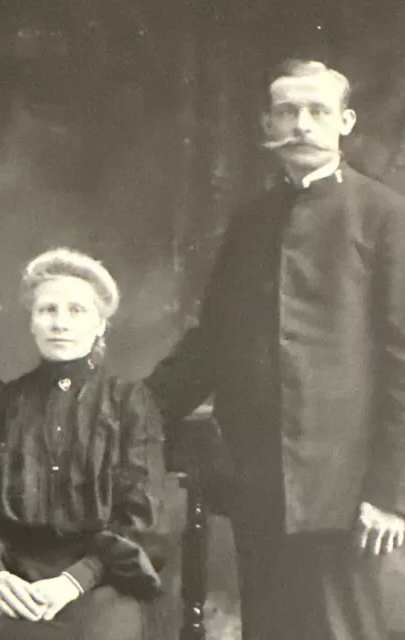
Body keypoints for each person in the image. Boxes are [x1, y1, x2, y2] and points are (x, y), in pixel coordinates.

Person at [147, 59, 405, 640]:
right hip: (259, 480)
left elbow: (403, 363)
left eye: (317, 111)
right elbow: (210, 345)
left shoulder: (387, 216)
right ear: (267, 122)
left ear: (346, 121)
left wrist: (391, 494)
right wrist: (128, 409)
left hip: (349, 492)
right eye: (287, 111)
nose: (302, 124)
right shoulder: (251, 222)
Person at [0, 248, 172, 640]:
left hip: (99, 575)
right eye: (47, 310)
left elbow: (144, 517)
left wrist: (74, 581)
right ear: (32, 322)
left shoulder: (129, 403)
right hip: (12, 572)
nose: (60, 323)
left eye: (76, 311)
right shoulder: (2, 403)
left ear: (100, 326)